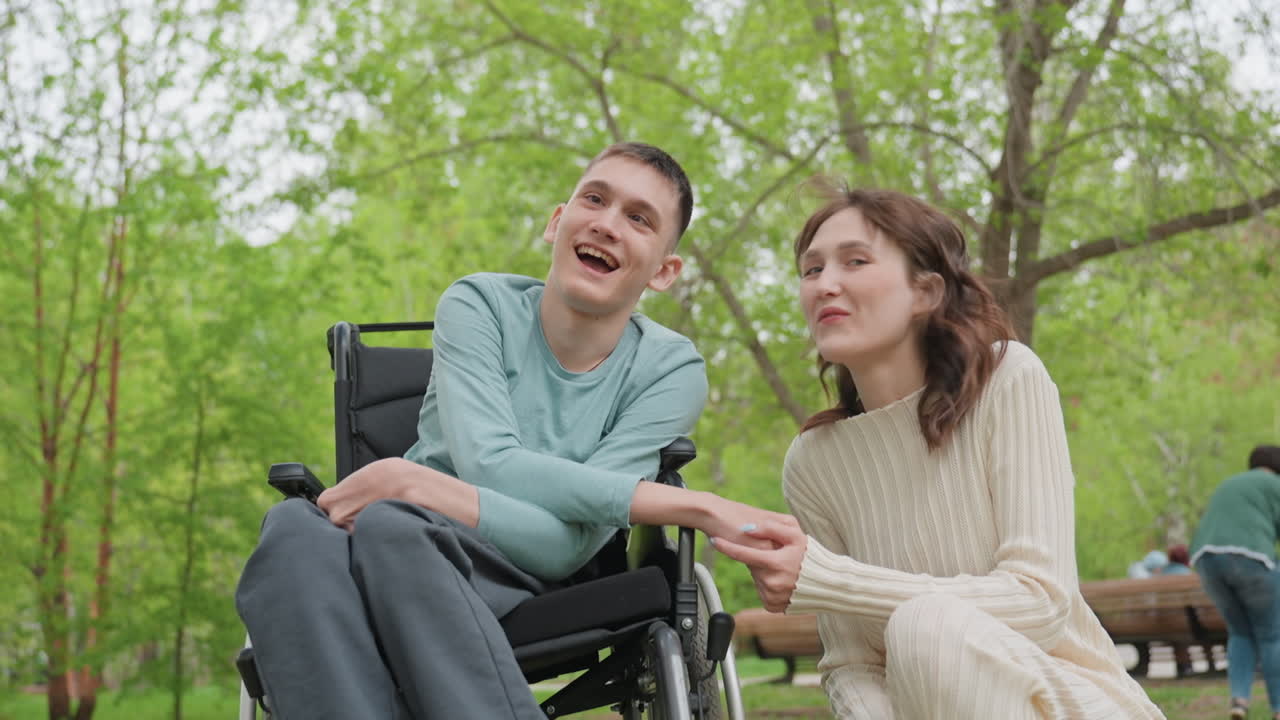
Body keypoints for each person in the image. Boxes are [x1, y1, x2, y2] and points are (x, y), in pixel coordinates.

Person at [235, 142, 787, 720]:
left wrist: (410, 481)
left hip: (514, 567)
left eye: (639, 218)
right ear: (557, 222)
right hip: (390, 541)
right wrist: (405, 490)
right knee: (292, 530)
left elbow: (562, 542)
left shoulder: (669, 369)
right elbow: (485, 461)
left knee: (392, 526)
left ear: (665, 271)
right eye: (594, 199)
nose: (606, 224)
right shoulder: (479, 304)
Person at [711, 184, 1165, 719]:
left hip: (1070, 697)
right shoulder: (814, 461)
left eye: (855, 261)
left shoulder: (1009, 379)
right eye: (811, 271)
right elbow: (851, 664)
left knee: (925, 626)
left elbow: (1040, 601)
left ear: (925, 292)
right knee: (917, 632)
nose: (825, 284)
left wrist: (824, 579)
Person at [1190, 444, 1280, 719]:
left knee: (1240, 632)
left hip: (1207, 560)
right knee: (1271, 634)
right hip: (1250, 558)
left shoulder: (1229, 484)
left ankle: (1239, 701)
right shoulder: (1274, 484)